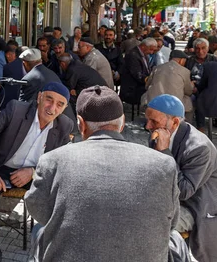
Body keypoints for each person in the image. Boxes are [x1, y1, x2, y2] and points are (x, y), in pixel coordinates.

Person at [26, 87, 187, 262]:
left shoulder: (52, 160)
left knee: (39, 231)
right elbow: (170, 222)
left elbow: (38, 210)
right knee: (176, 240)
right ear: (122, 122)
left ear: (81, 124)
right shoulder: (163, 164)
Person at [0, 82, 74, 262]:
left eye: (60, 104)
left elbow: (61, 162)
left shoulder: (65, 126)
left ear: (64, 108)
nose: (52, 108)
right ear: (39, 97)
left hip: (36, 175)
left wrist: (33, 172)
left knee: (64, 191)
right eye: (49, 99)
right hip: (2, 168)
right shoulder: (16, 110)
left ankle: (50, 247)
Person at [146, 95, 217, 262]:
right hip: (170, 201)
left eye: (153, 121)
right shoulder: (158, 133)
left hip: (196, 208)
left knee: (152, 223)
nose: (148, 126)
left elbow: (185, 191)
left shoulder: (199, 147)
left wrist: (165, 153)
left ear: (174, 122)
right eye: (148, 120)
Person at [142, 50, 193, 121]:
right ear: (181, 60)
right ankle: (184, 124)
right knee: (189, 102)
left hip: (154, 101)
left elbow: (147, 86)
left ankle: (150, 120)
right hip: (173, 104)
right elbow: (189, 91)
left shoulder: (157, 68)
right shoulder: (185, 71)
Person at [119, 38, 157, 108]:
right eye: (150, 49)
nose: (151, 53)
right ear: (143, 46)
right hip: (133, 89)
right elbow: (137, 74)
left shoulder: (144, 54)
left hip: (140, 85)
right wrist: (148, 80)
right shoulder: (133, 55)